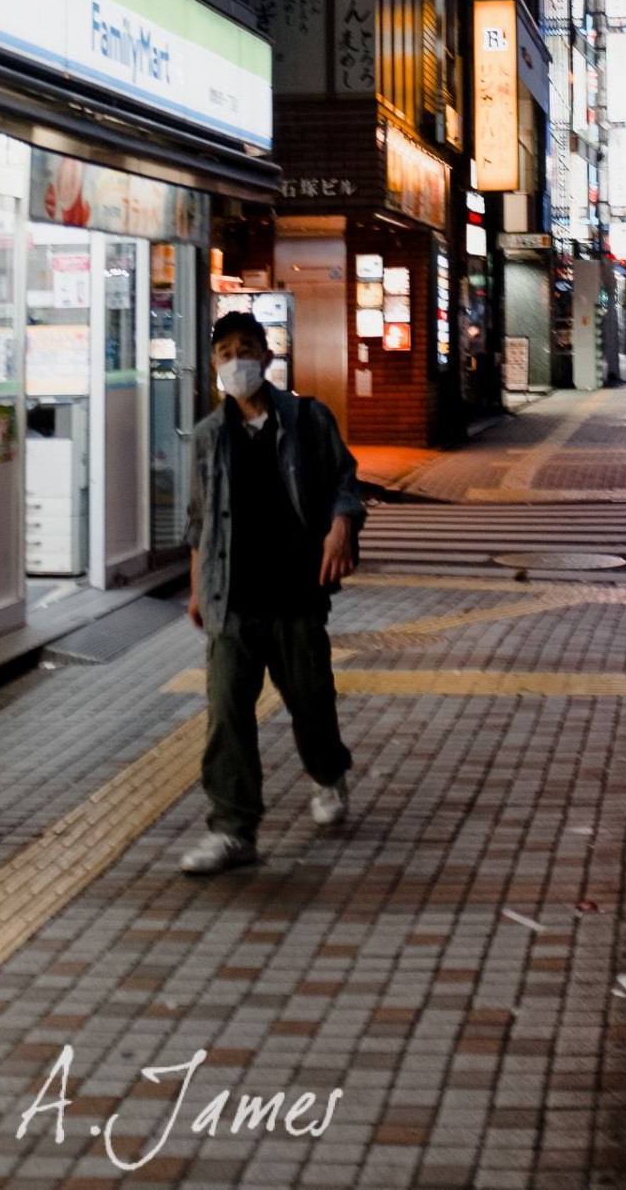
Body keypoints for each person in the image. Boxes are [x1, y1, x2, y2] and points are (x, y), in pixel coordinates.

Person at [178, 310, 365, 875]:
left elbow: (344, 480)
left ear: (267, 355)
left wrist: (340, 524)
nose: (236, 360)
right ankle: (234, 830)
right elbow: (199, 521)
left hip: (295, 593)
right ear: (215, 363)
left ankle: (328, 773)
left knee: (311, 704)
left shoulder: (306, 418)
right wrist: (196, 590)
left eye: (246, 348)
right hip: (231, 596)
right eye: (225, 352)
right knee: (227, 717)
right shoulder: (210, 436)